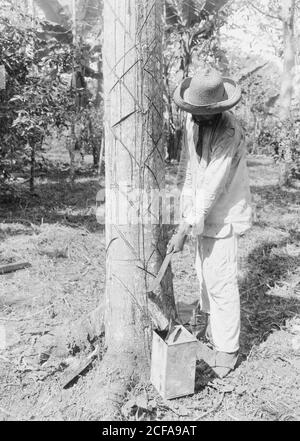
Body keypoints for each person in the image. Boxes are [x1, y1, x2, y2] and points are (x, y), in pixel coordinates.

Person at [167, 65, 252, 378]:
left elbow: (212, 185)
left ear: (218, 109)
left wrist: (186, 226)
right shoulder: (192, 121)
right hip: (201, 212)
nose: (196, 116)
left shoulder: (229, 132)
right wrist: (184, 217)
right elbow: (191, 171)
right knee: (204, 274)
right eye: (193, 111)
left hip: (225, 209)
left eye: (203, 113)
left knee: (222, 282)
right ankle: (208, 329)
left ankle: (228, 352)